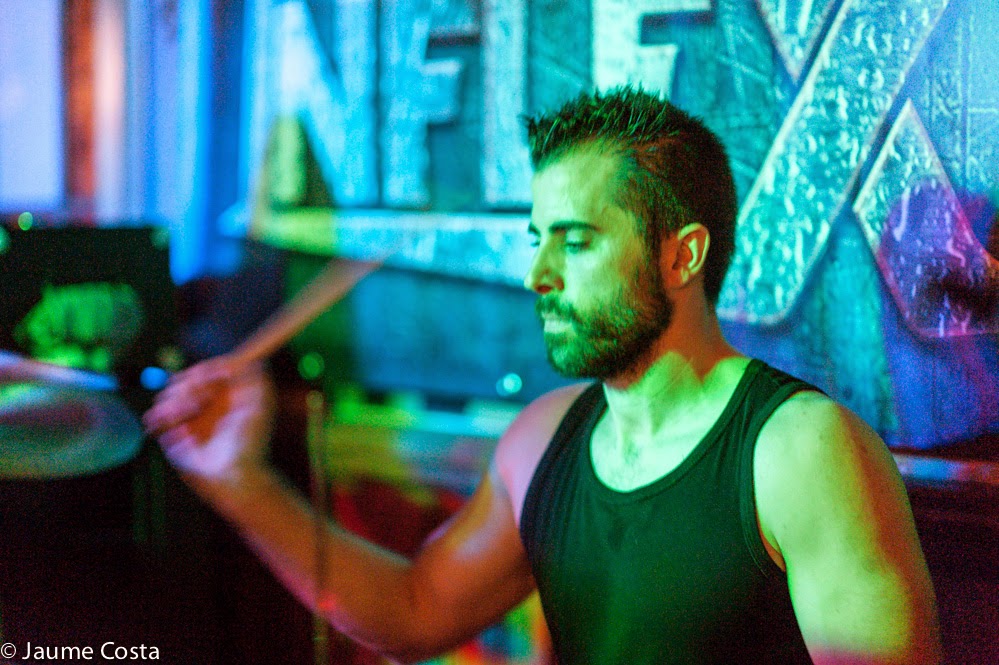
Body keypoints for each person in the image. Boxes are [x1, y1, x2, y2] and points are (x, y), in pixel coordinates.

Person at [145, 87, 941, 664]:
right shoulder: (542, 440)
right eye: (536, 238)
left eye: (576, 241)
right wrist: (240, 484)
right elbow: (414, 611)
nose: (537, 274)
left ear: (681, 256)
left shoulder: (800, 451)